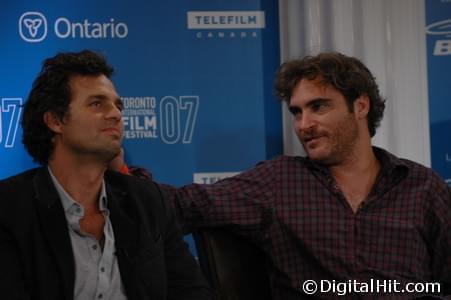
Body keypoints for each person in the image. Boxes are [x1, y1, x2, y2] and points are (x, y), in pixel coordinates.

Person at [132, 52, 449, 299]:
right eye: (297, 112)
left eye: (318, 107)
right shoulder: (279, 182)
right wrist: (118, 173)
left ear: (361, 106)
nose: (303, 124)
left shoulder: (422, 187)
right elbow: (177, 205)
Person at [0, 50, 214, 300]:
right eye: (96, 103)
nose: (115, 114)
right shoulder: (9, 209)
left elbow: (192, 292)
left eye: (117, 105)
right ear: (55, 121)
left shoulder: (147, 201)